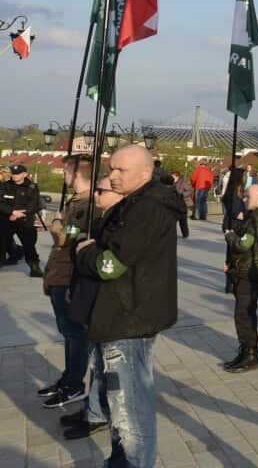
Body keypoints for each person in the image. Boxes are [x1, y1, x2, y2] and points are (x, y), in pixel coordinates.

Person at [73, 145, 183, 466]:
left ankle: (135, 462)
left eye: (121, 170)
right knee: (119, 405)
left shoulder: (147, 209)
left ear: (145, 173)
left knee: (130, 408)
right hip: (122, 314)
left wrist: (85, 253)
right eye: (111, 169)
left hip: (129, 318)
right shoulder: (134, 203)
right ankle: (120, 461)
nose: (113, 176)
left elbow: (110, 265)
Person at [62, 177, 124, 440]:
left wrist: (87, 249)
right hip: (90, 297)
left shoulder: (120, 222)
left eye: (102, 191)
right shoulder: (100, 219)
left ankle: (99, 414)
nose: (96, 195)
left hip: (107, 303)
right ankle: (93, 409)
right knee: (96, 361)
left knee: (106, 366)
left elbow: (107, 264)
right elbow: (71, 245)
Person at [38, 157, 93, 409]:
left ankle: (74, 385)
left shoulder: (88, 205)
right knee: (68, 332)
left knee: (75, 333)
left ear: (76, 175)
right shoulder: (76, 201)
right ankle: (68, 378)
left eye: (66, 172)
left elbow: (64, 237)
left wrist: (57, 222)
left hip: (70, 276)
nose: (63, 176)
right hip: (59, 273)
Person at [221, 183, 258, 373]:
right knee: (244, 312)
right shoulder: (255, 216)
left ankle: (250, 354)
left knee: (244, 314)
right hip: (245, 269)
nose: (244, 200)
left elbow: (244, 245)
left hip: (250, 274)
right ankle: (246, 351)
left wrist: (230, 236)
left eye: (248, 197)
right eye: (244, 196)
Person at [0, 164, 44, 276]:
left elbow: (34, 205)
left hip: (24, 221)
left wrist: (18, 214)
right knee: (2, 243)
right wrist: (11, 212)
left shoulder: (32, 187)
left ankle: (34, 267)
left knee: (29, 245)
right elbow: (1, 203)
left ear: (25, 174)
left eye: (18, 174)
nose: (14, 176)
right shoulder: (5, 186)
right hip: (7, 220)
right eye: (13, 174)